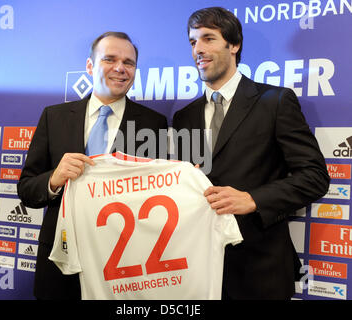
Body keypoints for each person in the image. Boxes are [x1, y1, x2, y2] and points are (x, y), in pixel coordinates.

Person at [172, 7, 330, 300]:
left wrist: (253, 199)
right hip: (199, 268)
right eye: (193, 42)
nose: (198, 50)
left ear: (234, 45)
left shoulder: (275, 101)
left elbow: (315, 177)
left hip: (260, 269)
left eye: (208, 39)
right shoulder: (183, 117)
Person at [17, 31, 168, 299]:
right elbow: (27, 189)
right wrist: (54, 180)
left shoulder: (153, 124)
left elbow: (161, 195)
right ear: (90, 66)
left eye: (129, 62)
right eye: (109, 59)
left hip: (124, 265)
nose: (120, 68)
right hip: (59, 262)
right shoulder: (55, 117)